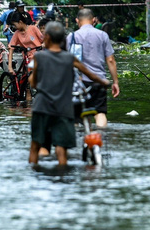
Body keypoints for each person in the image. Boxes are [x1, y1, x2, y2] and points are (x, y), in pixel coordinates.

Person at [28, 22, 110, 166]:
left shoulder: (39, 57)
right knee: (61, 148)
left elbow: (33, 83)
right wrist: (104, 82)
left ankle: (34, 170)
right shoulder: (69, 58)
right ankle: (62, 174)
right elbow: (91, 75)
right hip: (63, 108)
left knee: (35, 146)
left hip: (42, 107)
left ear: (46, 37)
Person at [68, 8, 121, 128]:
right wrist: (115, 82)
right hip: (99, 80)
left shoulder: (72, 37)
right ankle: (100, 139)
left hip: (79, 82)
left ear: (77, 21)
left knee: (78, 116)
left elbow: (66, 60)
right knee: (100, 113)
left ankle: (81, 142)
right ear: (94, 20)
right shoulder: (102, 35)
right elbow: (111, 60)